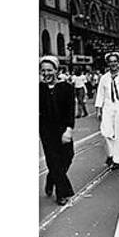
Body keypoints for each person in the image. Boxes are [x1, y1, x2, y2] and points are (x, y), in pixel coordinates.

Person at [39, 56, 76, 206]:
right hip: (46, 130)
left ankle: (51, 178)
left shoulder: (66, 88)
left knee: (68, 157)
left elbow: (70, 111)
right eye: (43, 70)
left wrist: (68, 129)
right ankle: (62, 193)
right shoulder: (39, 88)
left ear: (56, 70)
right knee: (53, 160)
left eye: (49, 70)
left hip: (63, 128)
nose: (46, 73)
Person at [95, 52, 119, 170]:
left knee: (118, 133)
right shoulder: (104, 78)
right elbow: (100, 94)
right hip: (107, 107)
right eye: (110, 61)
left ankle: (117, 159)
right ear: (108, 63)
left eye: (115, 61)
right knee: (106, 132)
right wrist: (98, 109)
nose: (113, 64)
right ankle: (111, 154)